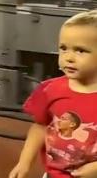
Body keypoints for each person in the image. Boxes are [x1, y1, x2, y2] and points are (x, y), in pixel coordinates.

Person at [10, 10, 97, 178]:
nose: (68, 57)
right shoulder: (49, 90)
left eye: (80, 50)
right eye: (64, 48)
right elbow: (40, 126)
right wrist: (24, 162)